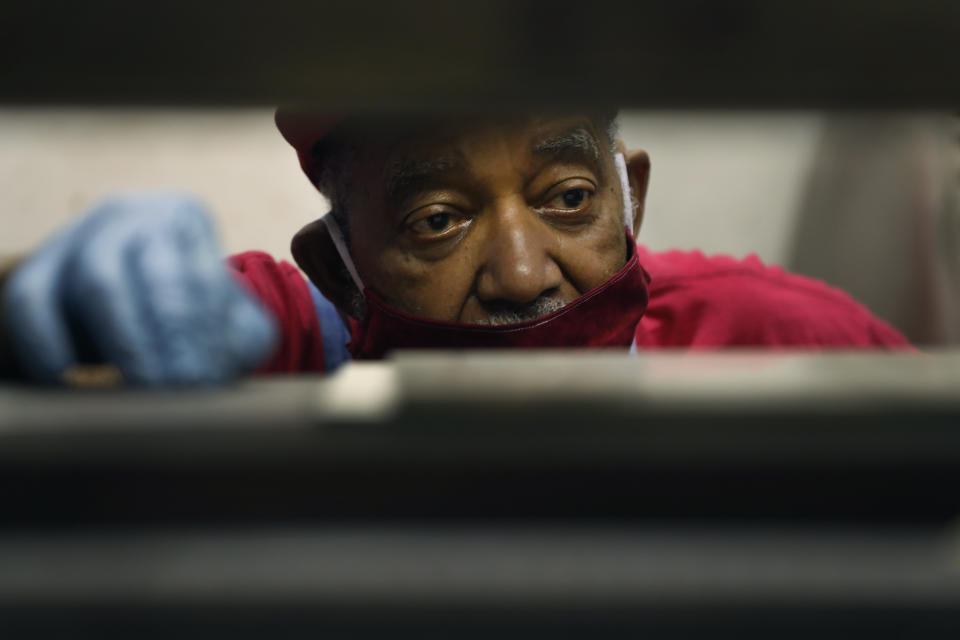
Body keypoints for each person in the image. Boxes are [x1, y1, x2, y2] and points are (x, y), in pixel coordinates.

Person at [0, 111, 910, 385]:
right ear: (338, 266)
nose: (523, 272)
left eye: (569, 198)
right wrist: (53, 301)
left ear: (632, 194)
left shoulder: (783, 345)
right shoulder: (274, 341)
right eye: (438, 219)